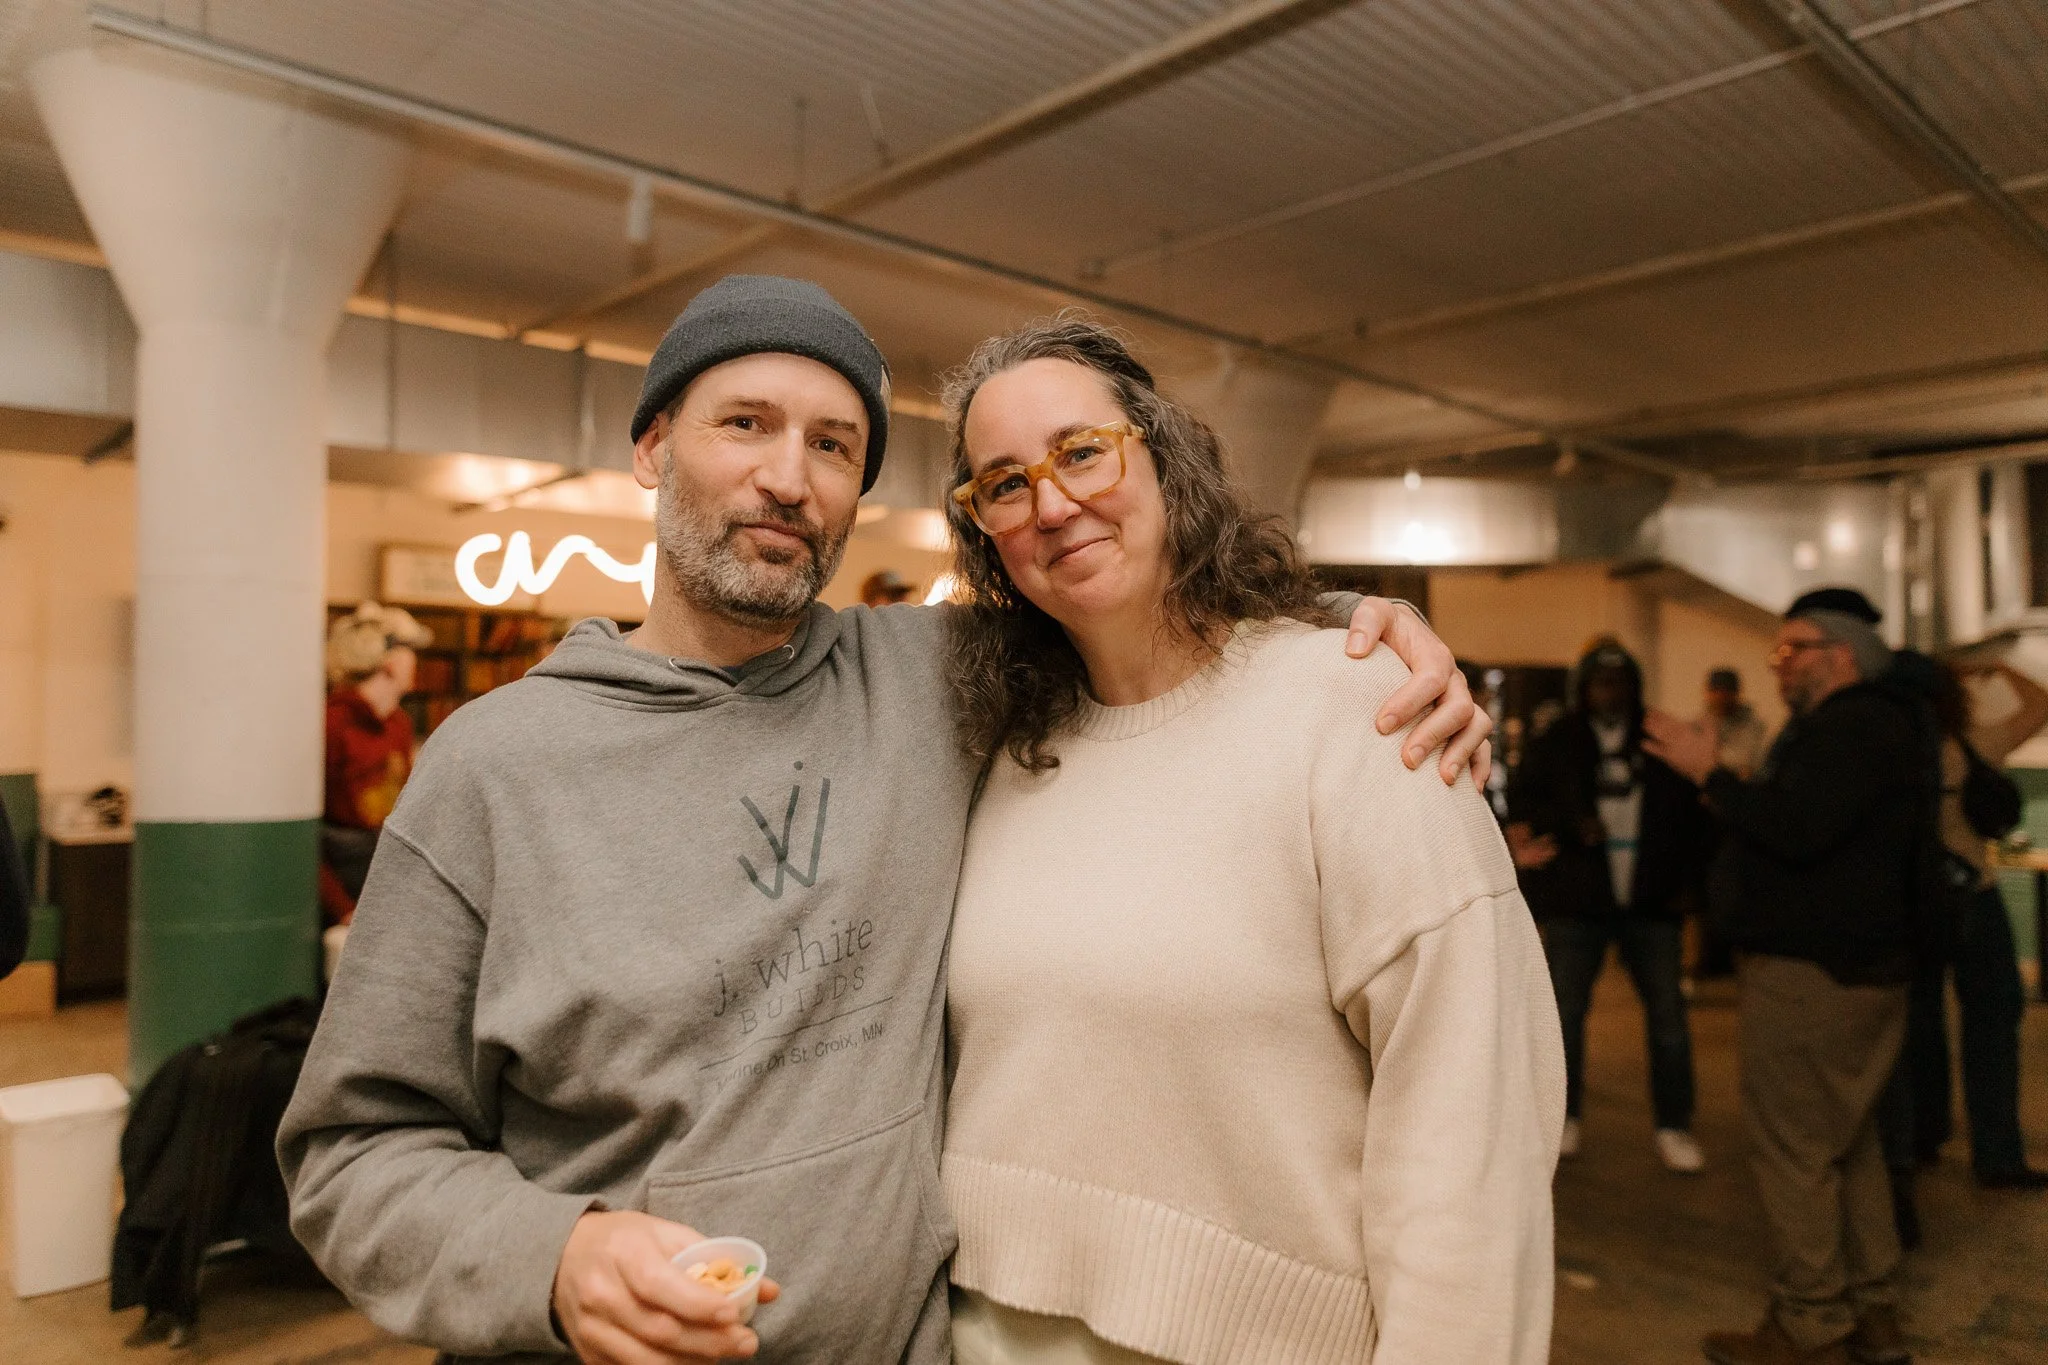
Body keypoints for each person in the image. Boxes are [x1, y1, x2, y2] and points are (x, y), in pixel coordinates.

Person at [277, 275, 1493, 1365]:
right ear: (651, 446)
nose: (787, 476)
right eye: (744, 423)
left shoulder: (931, 681)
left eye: (833, 445)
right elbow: (350, 1155)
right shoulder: (492, 769)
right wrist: (552, 1259)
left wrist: (1345, 627)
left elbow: (1129, 588)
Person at [937, 317, 1564, 1365]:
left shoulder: (1358, 712)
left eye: (1081, 452)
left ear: (1164, 457)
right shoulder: (997, 743)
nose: (1050, 504)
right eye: (1004, 484)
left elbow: (1471, 1133)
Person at [1647, 588, 1921, 1365]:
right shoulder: (1878, 724)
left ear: (1842, 655)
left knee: (1793, 1148)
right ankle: (1874, 1311)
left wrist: (1712, 775)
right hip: (1858, 965)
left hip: (1813, 974)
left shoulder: (1846, 728)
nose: (1780, 664)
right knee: (1849, 1142)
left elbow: (1797, 829)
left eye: (1793, 649)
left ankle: (1811, 1322)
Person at [1507, 640, 1712, 1172]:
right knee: (1564, 1014)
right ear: (1584, 687)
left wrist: (1686, 885)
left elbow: (1691, 815)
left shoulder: (1658, 737)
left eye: (1618, 682)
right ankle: (1563, 1116)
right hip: (1578, 900)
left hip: (1652, 901)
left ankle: (1674, 1125)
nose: (1609, 692)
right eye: (1599, 682)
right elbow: (1524, 802)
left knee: (1668, 1018)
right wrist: (1569, 825)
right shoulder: (1558, 740)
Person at [1910, 659, 2048, 1188]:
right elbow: (2039, 705)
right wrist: (1994, 667)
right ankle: (1996, 1152)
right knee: (1992, 1022)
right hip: (1974, 896)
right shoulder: (1973, 746)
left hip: (1913, 903)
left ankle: (1923, 1136)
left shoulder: (1894, 751)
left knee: (1920, 1022)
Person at [318, 602, 432, 925]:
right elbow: (306, 838)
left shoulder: (399, 724)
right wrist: (342, 909)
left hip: (384, 881)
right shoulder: (331, 724)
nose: (416, 661)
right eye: (410, 650)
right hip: (340, 897)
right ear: (390, 661)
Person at [1706, 668, 1769, 779]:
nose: (1720, 697)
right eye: (1715, 691)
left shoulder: (1755, 727)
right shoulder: (1699, 726)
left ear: (1736, 693)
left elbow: (1754, 765)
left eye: (1725, 692)